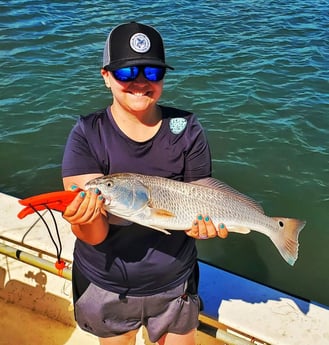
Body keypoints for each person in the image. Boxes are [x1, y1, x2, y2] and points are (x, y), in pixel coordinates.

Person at [61, 22, 228, 345]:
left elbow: (202, 199)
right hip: (107, 282)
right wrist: (83, 219)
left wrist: (204, 229)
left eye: (152, 73)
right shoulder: (86, 133)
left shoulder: (187, 128)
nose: (140, 83)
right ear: (106, 76)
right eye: (126, 73)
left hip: (174, 282)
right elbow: (94, 235)